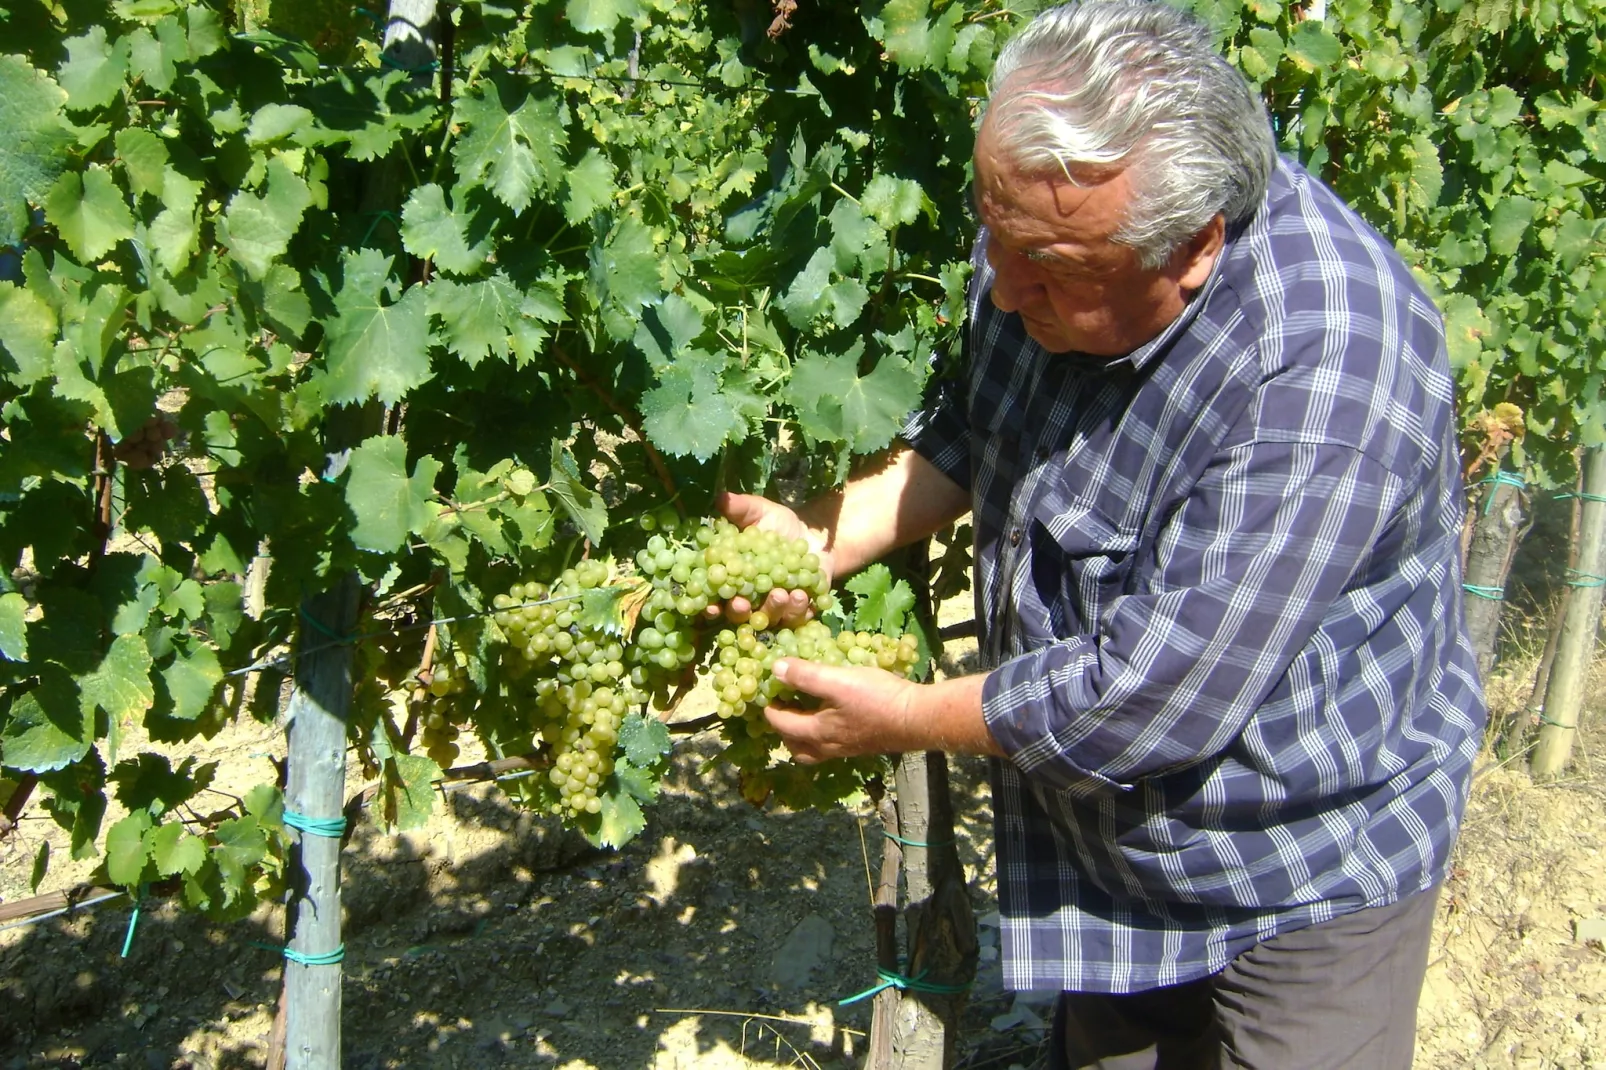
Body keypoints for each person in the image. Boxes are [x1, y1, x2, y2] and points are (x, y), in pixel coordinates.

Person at [717, 1, 1486, 1066]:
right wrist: (820, 539)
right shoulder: (1047, 232)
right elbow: (972, 428)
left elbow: (1152, 692)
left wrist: (899, 713)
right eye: (996, 237)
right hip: (1111, 847)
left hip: (1306, 862)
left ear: (1193, 249)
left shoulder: (1321, 373)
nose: (1004, 283)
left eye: (1056, 270)